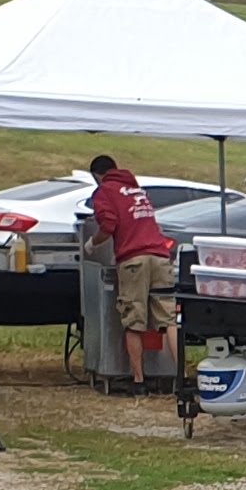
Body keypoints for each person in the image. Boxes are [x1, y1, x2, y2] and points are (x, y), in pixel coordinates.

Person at [86, 153, 180, 383]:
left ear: (98, 176)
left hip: (134, 260)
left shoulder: (105, 191)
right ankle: (181, 377)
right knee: (168, 319)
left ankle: (138, 380)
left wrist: (92, 243)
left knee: (133, 320)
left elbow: (109, 224)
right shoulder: (137, 190)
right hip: (160, 256)